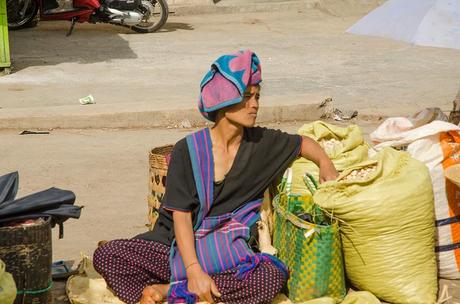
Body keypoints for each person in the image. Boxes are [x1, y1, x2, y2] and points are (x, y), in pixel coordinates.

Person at [93, 50, 338, 304]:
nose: (254, 104)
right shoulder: (187, 150)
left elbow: (302, 143)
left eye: (257, 97)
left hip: (228, 252)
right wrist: (193, 270)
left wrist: (325, 163)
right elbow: (182, 215)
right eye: (245, 97)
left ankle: (168, 292)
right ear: (222, 99)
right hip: (176, 247)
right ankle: (192, 287)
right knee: (108, 255)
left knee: (271, 275)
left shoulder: (262, 143)